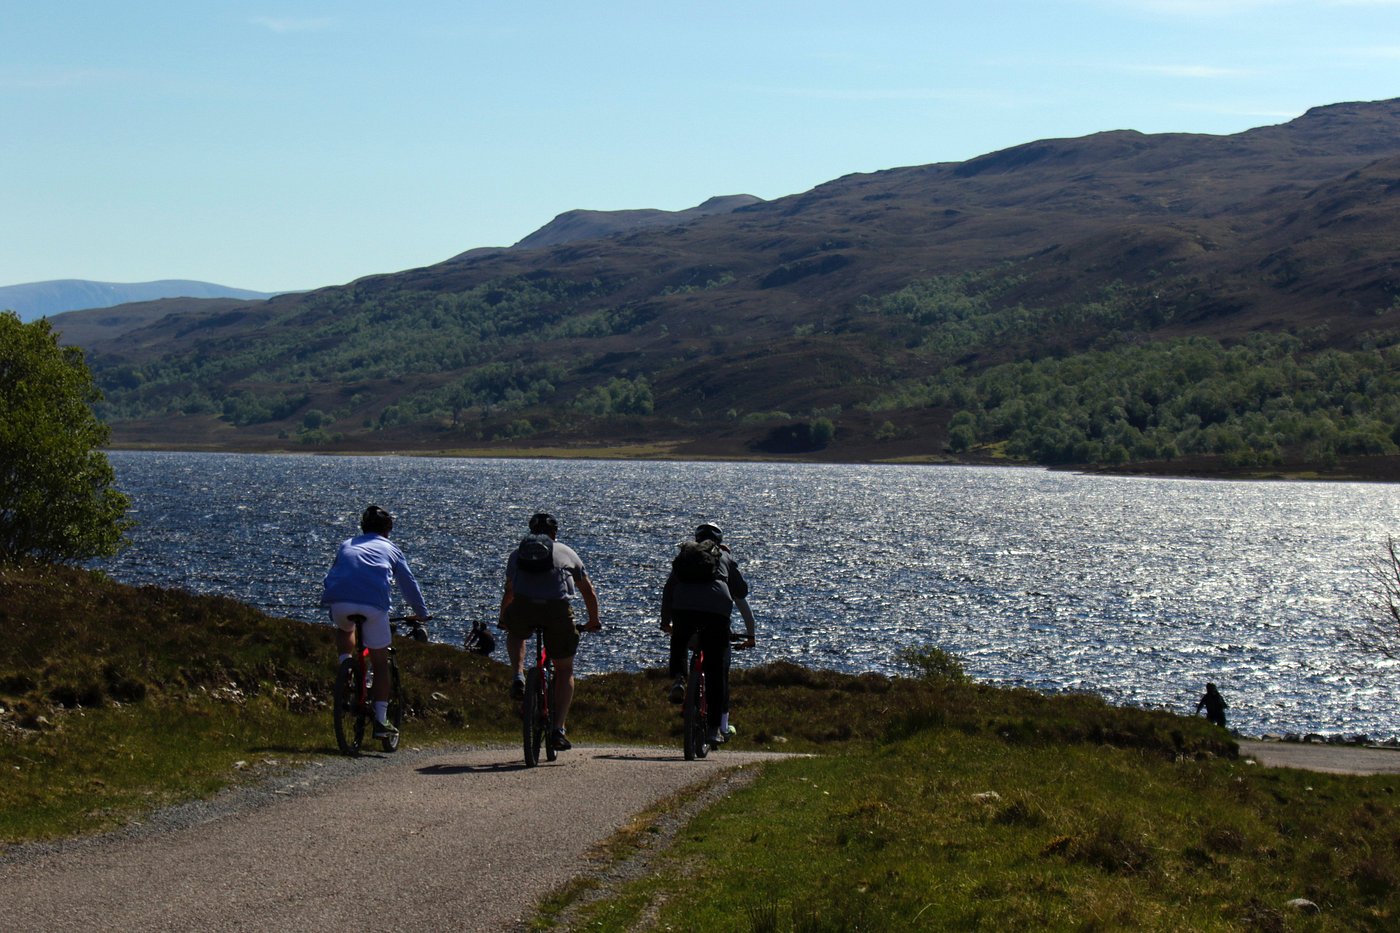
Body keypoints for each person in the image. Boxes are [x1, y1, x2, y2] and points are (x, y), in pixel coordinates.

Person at [320, 505, 430, 739]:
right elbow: (408, 584)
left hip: (339, 602)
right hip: (373, 606)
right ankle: (380, 720)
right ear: (388, 530)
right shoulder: (392, 549)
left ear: (363, 527)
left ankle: (345, 669)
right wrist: (421, 612)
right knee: (380, 663)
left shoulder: (346, 544)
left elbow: (330, 574)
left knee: (344, 627)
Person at [498, 512, 602, 751]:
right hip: (557, 612)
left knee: (515, 632)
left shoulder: (518, 554)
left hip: (524, 607)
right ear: (555, 533)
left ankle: (518, 676)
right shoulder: (566, 552)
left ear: (530, 531)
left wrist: (504, 618)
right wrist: (593, 621)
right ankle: (558, 729)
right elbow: (588, 591)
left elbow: (510, 590)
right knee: (564, 669)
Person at [661, 521, 755, 745]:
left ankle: (680, 680)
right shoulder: (724, 557)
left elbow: (669, 589)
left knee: (680, 641)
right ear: (720, 541)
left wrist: (666, 622)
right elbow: (742, 591)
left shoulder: (686, 556)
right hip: (716, 611)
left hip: (683, 608)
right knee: (716, 670)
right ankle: (713, 731)